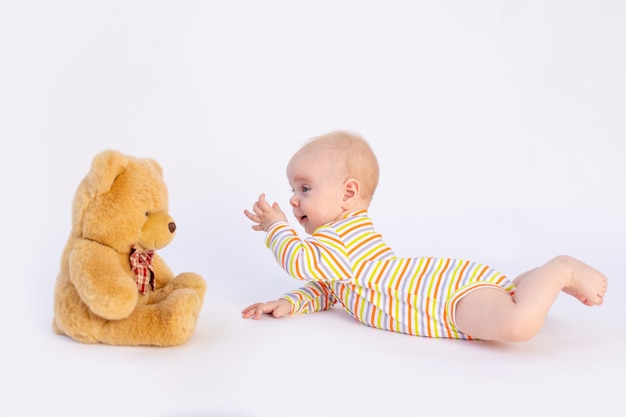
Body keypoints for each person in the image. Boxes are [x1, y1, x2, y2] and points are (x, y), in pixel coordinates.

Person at [242, 130, 608, 342]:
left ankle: (560, 269)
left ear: (348, 194)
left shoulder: (340, 237)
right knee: (509, 301)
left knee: (518, 327)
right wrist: (292, 303)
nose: (292, 199)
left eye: (305, 188)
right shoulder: (340, 245)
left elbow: (301, 262)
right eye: (292, 189)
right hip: (449, 296)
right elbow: (330, 285)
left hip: (446, 300)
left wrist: (276, 227)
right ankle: (529, 281)